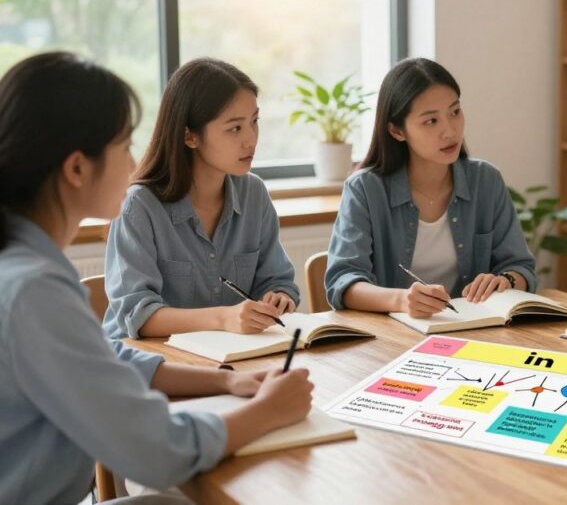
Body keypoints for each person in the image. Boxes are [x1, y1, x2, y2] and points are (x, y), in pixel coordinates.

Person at [0, 52, 313, 503]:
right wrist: (267, 412)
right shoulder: (33, 290)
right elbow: (158, 451)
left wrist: (226, 381)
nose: (133, 164)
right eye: (124, 145)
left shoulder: (28, 269)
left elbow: (107, 361)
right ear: (76, 168)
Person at [103, 57, 300, 339]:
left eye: (254, 122)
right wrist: (224, 318)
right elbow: (138, 315)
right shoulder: (139, 206)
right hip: (148, 366)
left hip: (230, 360)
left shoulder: (254, 194)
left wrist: (279, 297)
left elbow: (278, 280)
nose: (251, 140)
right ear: (190, 136)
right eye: (235, 128)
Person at [325, 57, 536, 317]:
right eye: (431, 121)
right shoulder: (365, 189)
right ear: (397, 130)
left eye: (454, 112)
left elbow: (520, 267)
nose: (450, 131)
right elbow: (343, 282)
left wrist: (507, 280)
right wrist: (402, 301)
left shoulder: (486, 180)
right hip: (392, 335)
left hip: (473, 329)